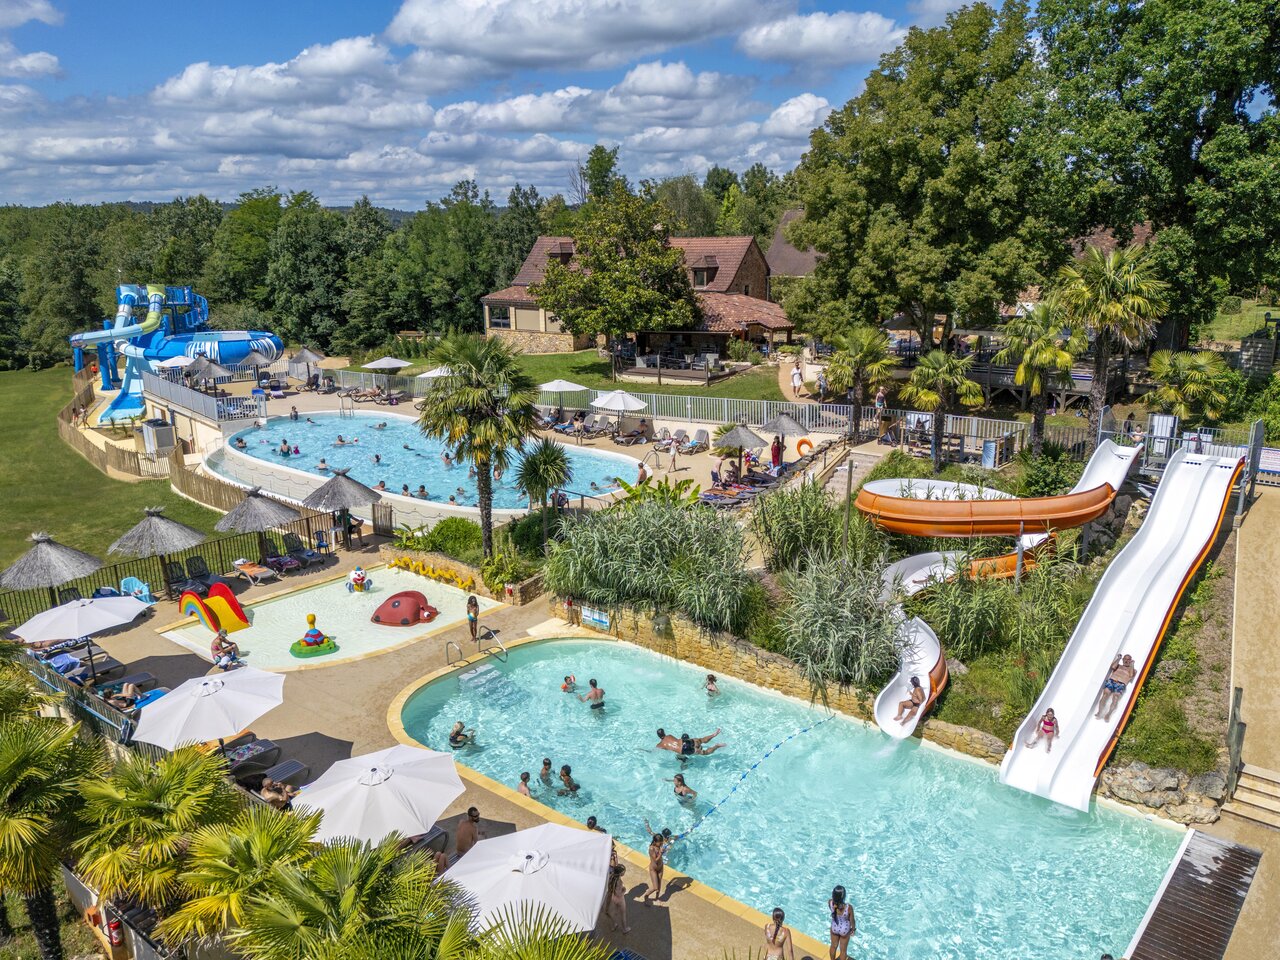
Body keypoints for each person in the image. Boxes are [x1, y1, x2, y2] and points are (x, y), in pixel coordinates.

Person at [1095, 654, 1137, 722]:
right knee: (1105, 695)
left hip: (1121, 684)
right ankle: (1100, 712)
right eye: (1125, 659)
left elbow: (1131, 675)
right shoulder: (1118, 666)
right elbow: (1112, 667)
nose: (1126, 661)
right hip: (1111, 681)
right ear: (1123, 659)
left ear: (1131, 660)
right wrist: (1119, 658)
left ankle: (1108, 714)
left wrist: (1132, 665)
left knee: (1115, 698)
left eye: (1128, 660)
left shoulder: (1133, 670)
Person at [828, 886, 855, 960]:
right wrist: (853, 929)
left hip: (834, 927)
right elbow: (852, 920)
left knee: (833, 946)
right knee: (843, 951)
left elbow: (833, 911)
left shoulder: (830, 902)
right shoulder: (848, 907)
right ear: (844, 896)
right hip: (844, 930)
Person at [644, 831, 670, 904]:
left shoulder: (660, 846)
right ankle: (646, 896)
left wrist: (665, 850)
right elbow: (655, 860)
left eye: (661, 842)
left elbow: (665, 850)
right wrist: (661, 853)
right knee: (655, 887)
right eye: (660, 842)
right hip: (653, 869)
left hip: (660, 867)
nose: (661, 844)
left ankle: (657, 898)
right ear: (655, 842)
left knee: (659, 885)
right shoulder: (651, 848)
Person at [605, 863, 632, 932]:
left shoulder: (611, 876)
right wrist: (624, 890)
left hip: (611, 897)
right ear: (620, 874)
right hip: (619, 899)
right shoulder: (619, 882)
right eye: (624, 872)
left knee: (609, 912)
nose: (624, 873)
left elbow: (610, 888)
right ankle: (624, 929)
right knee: (623, 914)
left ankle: (614, 924)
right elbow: (618, 894)